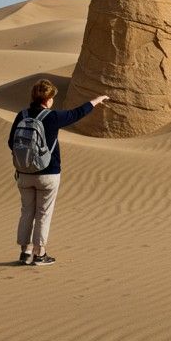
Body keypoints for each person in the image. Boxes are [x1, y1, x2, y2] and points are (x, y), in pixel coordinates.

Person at [8, 79, 106, 266]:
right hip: (48, 173)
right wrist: (96, 101)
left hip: (24, 173)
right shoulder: (52, 117)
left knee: (27, 211)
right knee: (43, 213)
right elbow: (77, 113)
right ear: (48, 99)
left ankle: (25, 252)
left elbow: (11, 142)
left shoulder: (22, 115)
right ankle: (40, 254)